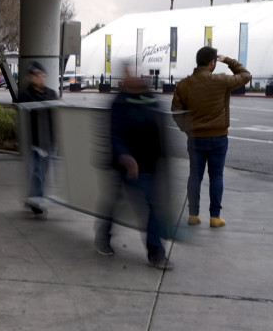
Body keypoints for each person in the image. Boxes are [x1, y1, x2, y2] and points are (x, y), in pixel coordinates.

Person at [96, 60, 174, 269]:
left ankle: (156, 252)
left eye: (140, 73)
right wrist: (124, 156)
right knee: (116, 203)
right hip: (126, 165)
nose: (138, 77)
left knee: (153, 208)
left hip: (150, 165)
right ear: (124, 78)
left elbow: (159, 129)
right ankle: (103, 235)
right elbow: (114, 133)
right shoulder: (119, 102)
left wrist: (164, 158)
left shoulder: (151, 99)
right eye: (130, 73)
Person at [171, 47, 251, 228]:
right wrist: (228, 60)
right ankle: (215, 217)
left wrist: (187, 128)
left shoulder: (184, 84)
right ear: (212, 62)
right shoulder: (221, 81)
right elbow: (246, 75)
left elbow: (176, 111)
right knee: (216, 176)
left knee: (195, 176)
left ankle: (193, 214)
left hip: (195, 138)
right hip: (218, 137)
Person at [17, 62, 58, 214]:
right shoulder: (25, 94)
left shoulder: (50, 93)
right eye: (35, 75)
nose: (38, 78)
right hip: (33, 140)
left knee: (43, 172)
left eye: (40, 74)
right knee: (36, 172)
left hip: (48, 140)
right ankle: (36, 201)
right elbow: (27, 106)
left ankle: (33, 198)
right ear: (29, 77)